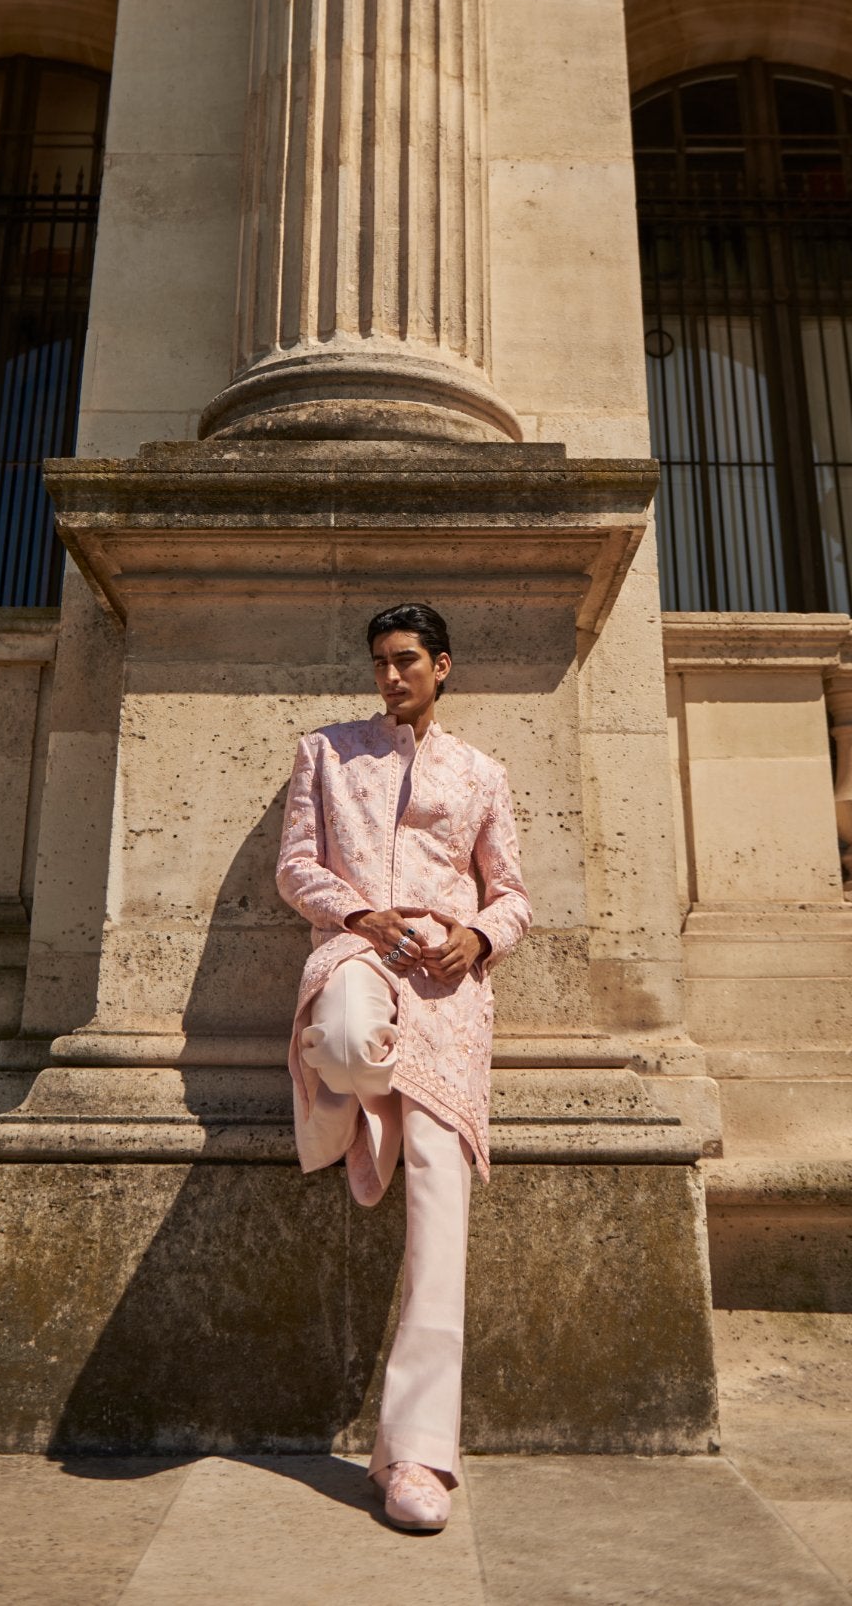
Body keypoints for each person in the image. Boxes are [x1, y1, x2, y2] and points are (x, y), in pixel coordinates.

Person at [275, 602, 532, 1533]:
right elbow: (295, 866)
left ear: (442, 666)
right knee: (344, 1043)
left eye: (408, 660)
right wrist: (356, 914)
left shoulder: (482, 773)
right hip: (356, 953)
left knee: (439, 1197)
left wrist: (480, 938)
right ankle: (353, 1110)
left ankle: (416, 1455)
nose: (392, 676)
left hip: (448, 991)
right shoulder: (326, 753)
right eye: (381, 661)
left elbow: (513, 895)